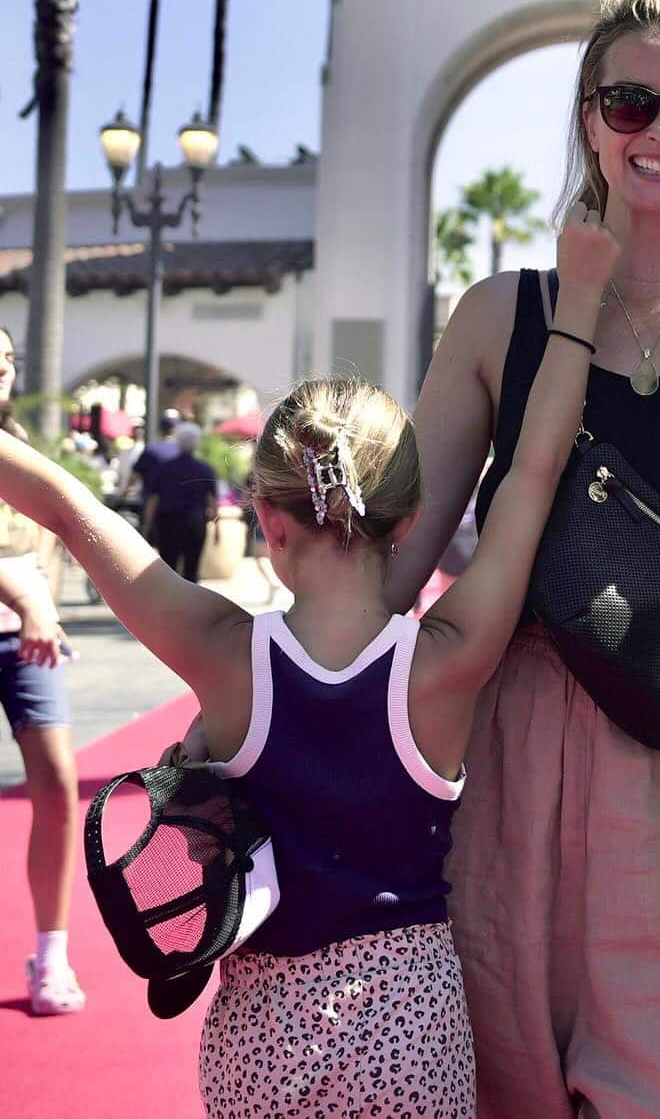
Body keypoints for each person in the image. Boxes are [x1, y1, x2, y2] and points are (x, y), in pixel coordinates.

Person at [0, 202, 620, 1116]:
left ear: (269, 521)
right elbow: (533, 469)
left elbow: (68, 509)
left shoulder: (224, 656)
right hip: (411, 1024)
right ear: (411, 520)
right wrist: (582, 302)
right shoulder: (444, 663)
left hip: (265, 1028)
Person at [391, 0, 660, 1119]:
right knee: (503, 1093)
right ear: (589, 118)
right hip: (506, 751)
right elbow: (393, 566)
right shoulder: (497, 316)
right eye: (630, 103)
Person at [0, 324, 85, 1017]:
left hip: (24, 642)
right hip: (19, 617)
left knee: (57, 784)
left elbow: (50, 538)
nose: (0, 369)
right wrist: (26, 597)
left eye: (6, 359)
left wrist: (44, 609)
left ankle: (51, 955)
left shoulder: (21, 447)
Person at [144, 421, 219, 583]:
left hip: (167, 522)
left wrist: (148, 523)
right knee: (192, 569)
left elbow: (154, 498)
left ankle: (169, 598)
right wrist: (217, 527)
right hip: (195, 523)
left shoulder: (164, 468)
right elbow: (212, 501)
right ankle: (191, 598)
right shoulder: (204, 469)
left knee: (168, 569)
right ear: (197, 442)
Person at [125, 408, 181, 537]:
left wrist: (124, 493)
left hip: (151, 508)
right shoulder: (182, 451)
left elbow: (135, 475)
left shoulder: (151, 450)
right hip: (178, 509)